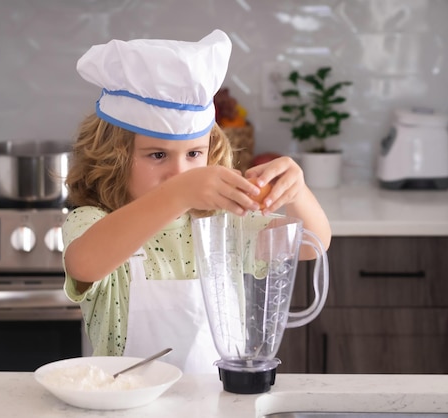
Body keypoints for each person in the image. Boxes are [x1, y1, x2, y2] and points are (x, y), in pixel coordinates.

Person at [62, 29, 331, 373]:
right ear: (114, 156)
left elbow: (312, 243)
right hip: (125, 403)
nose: (180, 172)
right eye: (157, 154)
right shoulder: (90, 221)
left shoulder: (225, 226)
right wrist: (180, 192)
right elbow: (85, 264)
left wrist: (298, 192)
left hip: (216, 402)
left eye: (193, 154)